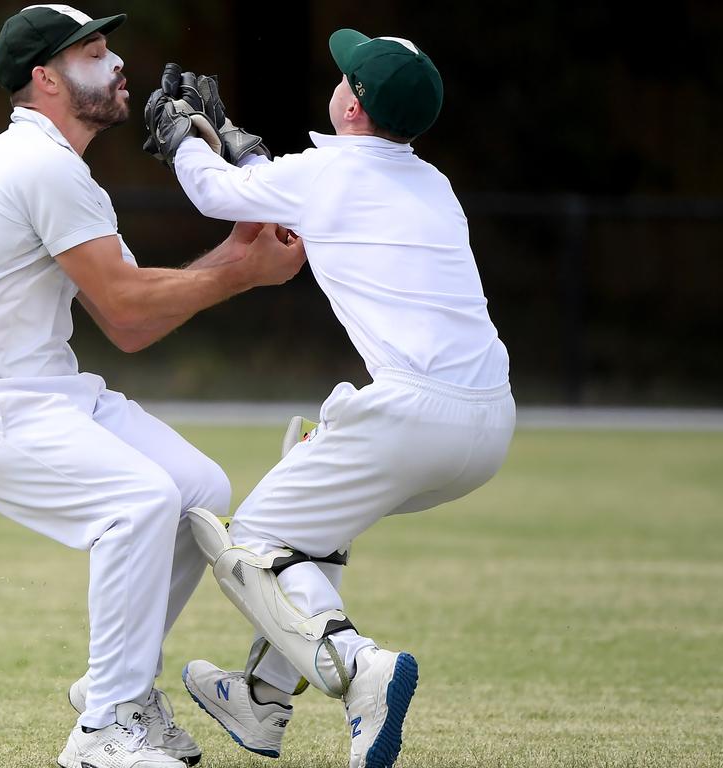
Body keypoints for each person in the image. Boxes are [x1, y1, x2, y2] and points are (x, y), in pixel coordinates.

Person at [0, 7, 305, 768]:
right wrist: (245, 272)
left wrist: (236, 249)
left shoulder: (60, 168)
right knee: (140, 502)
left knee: (197, 488)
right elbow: (129, 306)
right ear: (45, 79)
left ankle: (116, 692)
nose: (118, 63)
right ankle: (104, 733)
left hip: (44, 393)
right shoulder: (39, 166)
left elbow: (128, 320)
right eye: (93, 52)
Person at [143, 29, 516, 768]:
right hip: (490, 422)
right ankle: (260, 698)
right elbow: (308, 190)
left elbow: (217, 193)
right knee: (309, 510)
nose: (339, 79)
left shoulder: (327, 176)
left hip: (414, 415)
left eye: (348, 75)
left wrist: (184, 135)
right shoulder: (430, 183)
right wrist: (247, 149)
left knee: (250, 541)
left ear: (352, 105)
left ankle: (358, 668)